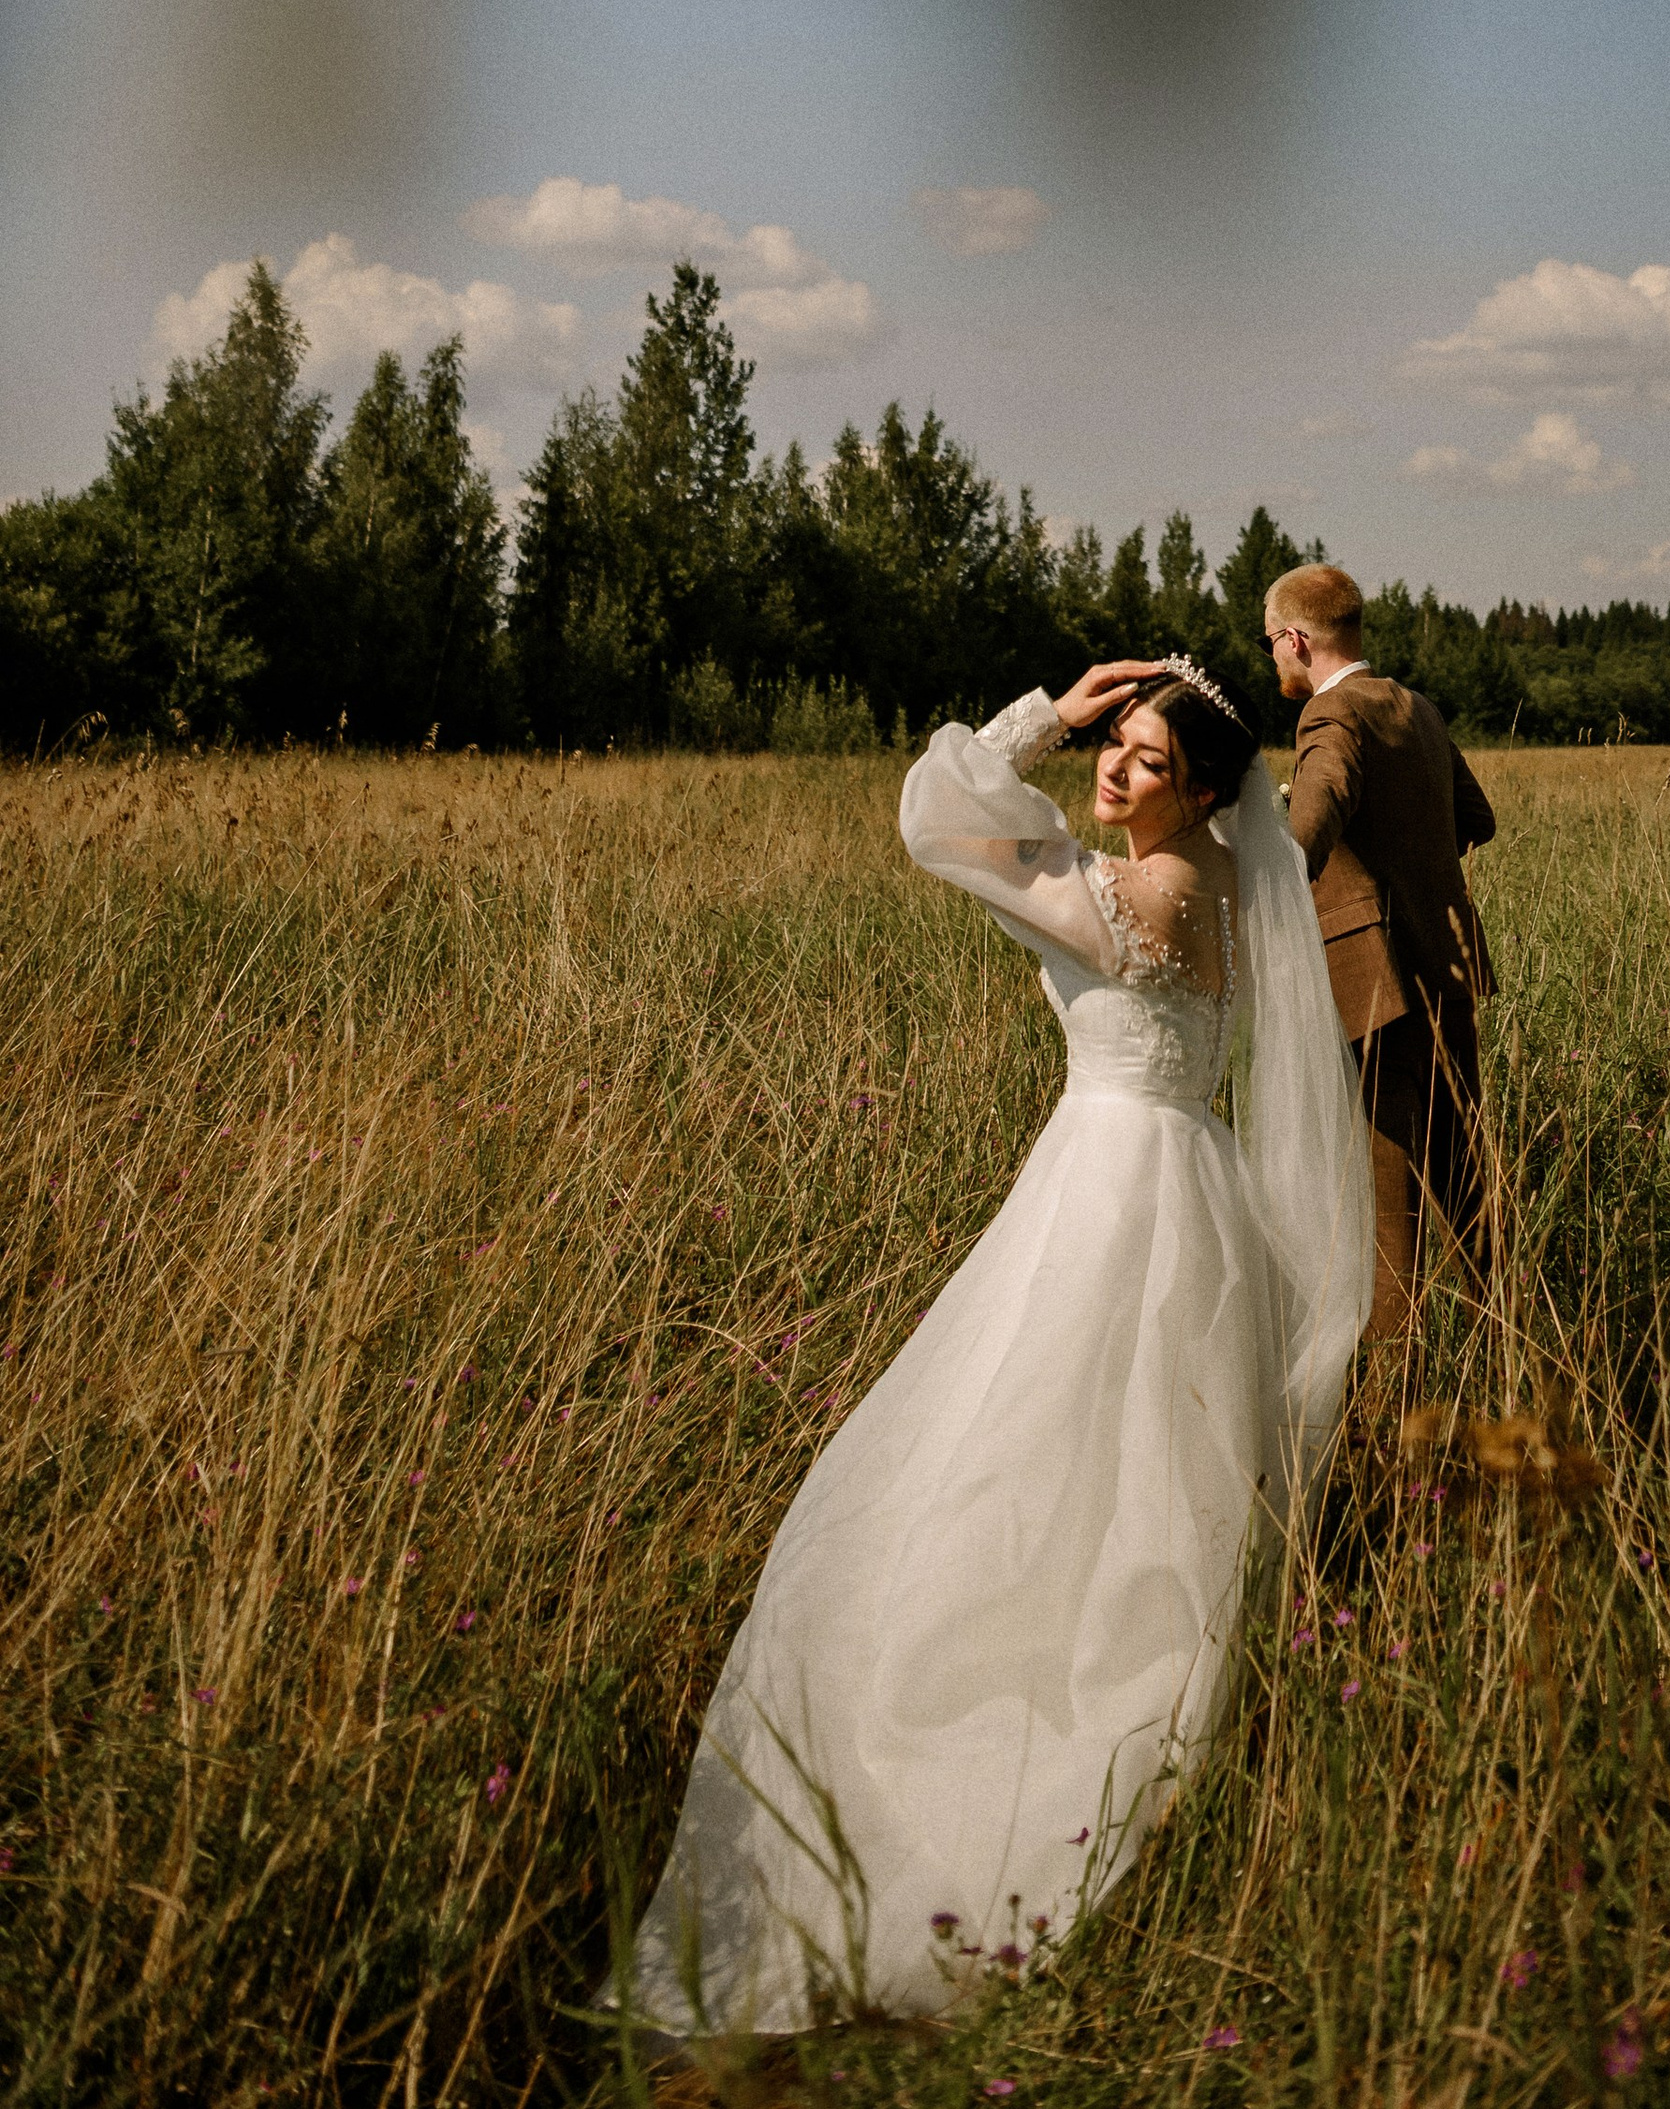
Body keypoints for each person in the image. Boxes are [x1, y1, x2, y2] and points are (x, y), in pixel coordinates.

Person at [622, 653, 1369, 2037]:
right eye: (1114, 745)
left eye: (1142, 757)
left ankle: (1008, 1794)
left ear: (1202, 786)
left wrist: (1043, 713)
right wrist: (1083, 737)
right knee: (1138, 1485)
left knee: (1022, 1468)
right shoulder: (1209, 870)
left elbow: (936, 820)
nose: (1113, 769)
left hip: (1105, 1189)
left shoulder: (1137, 894)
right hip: (1184, 1178)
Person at [1264, 563, 1497, 1340]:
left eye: (1272, 644)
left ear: (1297, 639)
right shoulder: (1417, 707)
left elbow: (1310, 828)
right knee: (1470, 1191)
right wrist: (1409, 873)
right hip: (1448, 969)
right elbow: (1476, 817)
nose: (1274, 658)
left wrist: (1276, 855)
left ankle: (1393, 1420)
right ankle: (1515, 1353)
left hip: (1378, 990)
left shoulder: (1330, 717)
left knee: (1387, 1215)